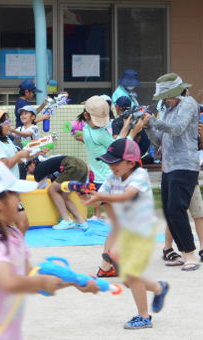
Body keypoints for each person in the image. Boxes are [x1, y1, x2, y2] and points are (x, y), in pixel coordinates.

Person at [0, 161, 99, 340]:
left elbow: (28, 276)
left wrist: (76, 282)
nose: (19, 199)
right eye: (14, 194)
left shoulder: (13, 235)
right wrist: (42, 282)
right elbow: (9, 282)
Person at [82, 138, 169, 330]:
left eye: (114, 162)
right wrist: (86, 196)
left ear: (130, 162)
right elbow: (98, 201)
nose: (110, 165)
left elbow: (126, 196)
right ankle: (158, 288)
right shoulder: (112, 178)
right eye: (108, 162)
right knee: (129, 281)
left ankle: (144, 317)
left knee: (131, 274)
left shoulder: (140, 175)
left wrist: (101, 197)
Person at [77, 95, 140, 277]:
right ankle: (107, 265)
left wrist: (125, 126)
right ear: (88, 116)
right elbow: (121, 148)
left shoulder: (87, 130)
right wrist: (132, 131)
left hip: (98, 180)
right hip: (111, 180)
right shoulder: (100, 134)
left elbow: (113, 143)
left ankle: (109, 264)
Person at [143, 72, 201, 271]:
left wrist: (153, 120)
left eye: (166, 96)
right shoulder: (168, 109)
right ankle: (183, 253)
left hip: (185, 165)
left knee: (176, 209)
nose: (165, 100)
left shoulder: (189, 103)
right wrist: (148, 127)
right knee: (169, 211)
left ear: (177, 92)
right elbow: (159, 140)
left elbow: (177, 129)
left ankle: (191, 255)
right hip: (168, 166)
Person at [0, 110, 44, 235]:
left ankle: (13, 249)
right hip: (3, 189)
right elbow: (5, 164)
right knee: (7, 224)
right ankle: (7, 250)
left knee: (22, 223)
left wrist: (37, 152)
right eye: (6, 122)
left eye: (9, 121)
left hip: (11, 187)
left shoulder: (7, 140)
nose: (9, 125)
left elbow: (19, 159)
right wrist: (19, 155)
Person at [162, 121, 203, 265]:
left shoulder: (191, 134)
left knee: (199, 214)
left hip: (191, 180)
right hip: (174, 179)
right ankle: (168, 248)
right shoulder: (171, 133)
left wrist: (200, 131)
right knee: (174, 214)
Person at [26, 155, 89, 230]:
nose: (28, 171)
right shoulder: (47, 165)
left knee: (51, 190)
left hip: (72, 166)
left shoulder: (38, 169)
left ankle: (67, 220)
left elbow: (40, 187)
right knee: (63, 196)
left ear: (33, 163)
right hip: (82, 166)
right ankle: (81, 222)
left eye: (28, 168)